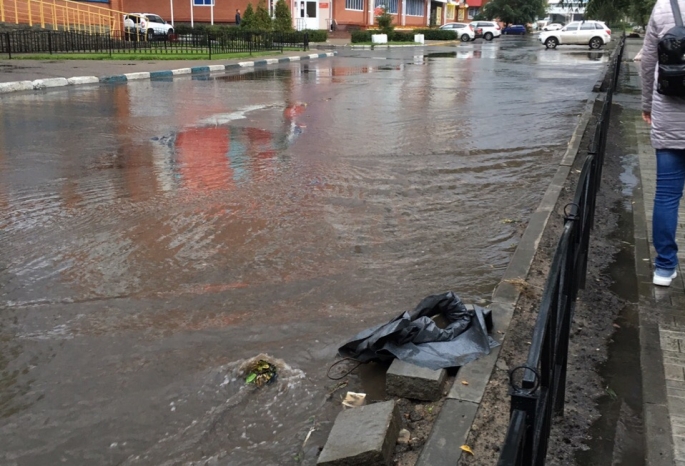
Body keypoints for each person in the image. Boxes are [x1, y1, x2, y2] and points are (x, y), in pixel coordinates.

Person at [641, 0, 685, 286]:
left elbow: (647, 61)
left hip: (670, 116)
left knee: (667, 195)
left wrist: (647, 104)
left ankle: (664, 268)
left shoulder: (664, 6)